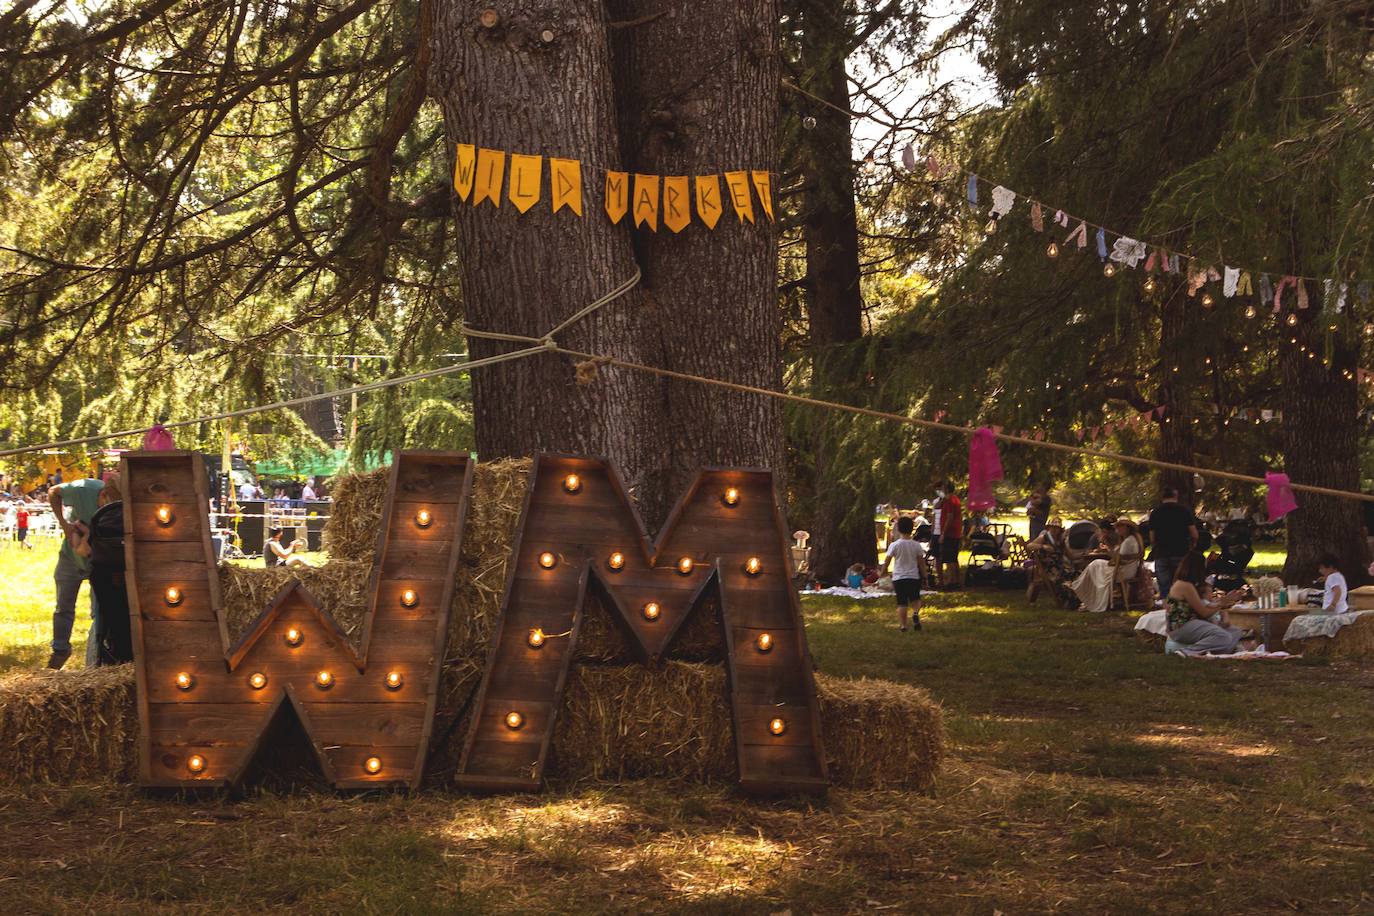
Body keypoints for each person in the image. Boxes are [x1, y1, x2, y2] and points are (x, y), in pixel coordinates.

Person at [46, 475, 105, 669]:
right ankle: (60, 650)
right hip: (70, 558)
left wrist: (87, 545)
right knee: (63, 606)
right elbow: (53, 492)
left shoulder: (121, 508)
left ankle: (97, 655)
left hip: (100, 561)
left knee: (100, 611)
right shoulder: (83, 488)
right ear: (102, 492)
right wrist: (64, 524)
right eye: (106, 498)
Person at [1165, 552, 1253, 655]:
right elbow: (1204, 612)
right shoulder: (1184, 585)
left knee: (1235, 631)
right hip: (1181, 627)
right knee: (1223, 636)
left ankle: (1219, 653)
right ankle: (1187, 652)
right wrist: (1223, 602)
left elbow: (1207, 605)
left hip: (1193, 623)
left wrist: (1224, 601)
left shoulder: (1190, 584)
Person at [1070, 518, 1143, 612]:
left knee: (1095, 565)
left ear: (1127, 528)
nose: (1118, 529)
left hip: (1124, 570)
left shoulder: (1128, 541)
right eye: (1118, 527)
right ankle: (1082, 589)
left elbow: (1117, 558)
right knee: (1095, 565)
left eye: (1121, 527)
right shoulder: (1130, 539)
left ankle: (1081, 589)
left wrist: (1107, 548)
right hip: (1127, 568)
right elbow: (1119, 557)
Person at [1148, 486, 1198, 600]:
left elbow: (1152, 537)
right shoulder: (1184, 511)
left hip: (1162, 552)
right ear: (1176, 496)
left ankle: (1165, 607)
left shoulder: (1155, 513)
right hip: (1181, 551)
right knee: (1180, 582)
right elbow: (1194, 534)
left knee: (1164, 585)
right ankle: (1180, 605)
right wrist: (1193, 544)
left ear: (1162, 497)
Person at [881, 516, 927, 631]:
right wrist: (925, 576)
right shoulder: (916, 545)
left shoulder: (894, 545)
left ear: (898, 529)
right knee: (915, 599)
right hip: (913, 577)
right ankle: (915, 613)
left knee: (902, 603)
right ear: (912, 529)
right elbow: (921, 563)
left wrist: (882, 573)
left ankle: (903, 625)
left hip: (899, 578)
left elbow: (887, 562)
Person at [939, 480, 963, 588]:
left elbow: (949, 517)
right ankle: (956, 580)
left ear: (947, 489)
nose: (941, 490)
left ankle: (951, 581)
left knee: (949, 558)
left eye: (943, 488)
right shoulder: (955, 499)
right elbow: (937, 506)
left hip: (950, 533)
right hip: (956, 532)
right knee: (954, 557)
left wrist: (943, 533)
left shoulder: (950, 501)